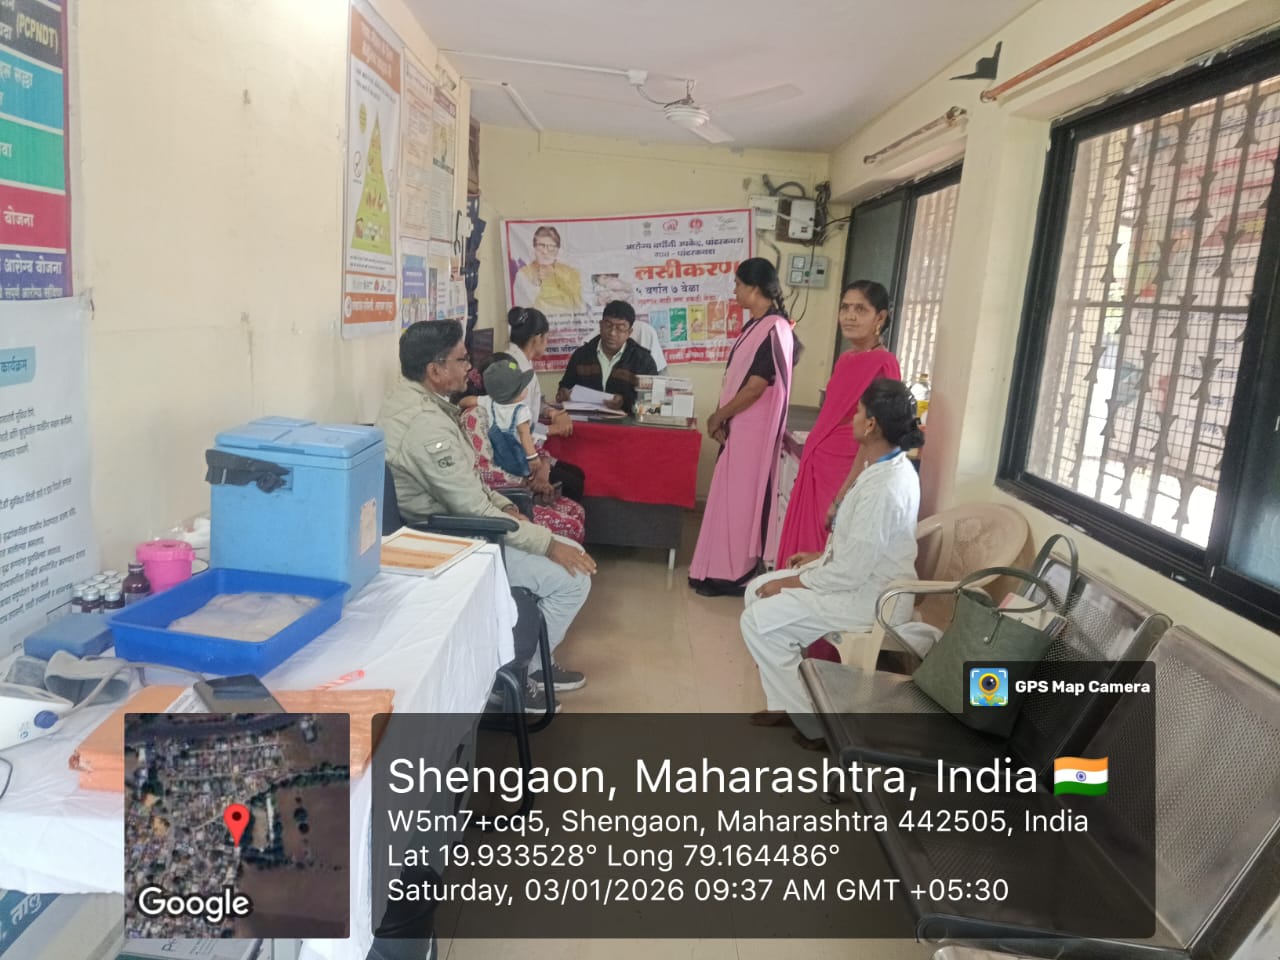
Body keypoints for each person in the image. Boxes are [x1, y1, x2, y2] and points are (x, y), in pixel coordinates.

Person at [377, 320, 596, 709]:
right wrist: (546, 545)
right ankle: (516, 676)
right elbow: (470, 507)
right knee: (573, 578)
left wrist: (508, 506)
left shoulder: (419, 402)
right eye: (462, 360)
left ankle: (530, 663)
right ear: (435, 370)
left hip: (464, 523)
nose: (470, 369)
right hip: (451, 540)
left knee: (568, 552)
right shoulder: (425, 425)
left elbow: (470, 483)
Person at [741, 378, 924, 748]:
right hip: (859, 580)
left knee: (757, 620)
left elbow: (851, 571)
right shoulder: (886, 466)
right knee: (756, 590)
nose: (852, 418)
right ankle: (787, 701)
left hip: (871, 598)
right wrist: (818, 559)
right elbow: (860, 549)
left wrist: (791, 582)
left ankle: (817, 727)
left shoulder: (885, 486)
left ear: (871, 425)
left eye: (858, 412)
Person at [687, 258, 795, 597]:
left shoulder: (775, 328)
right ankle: (715, 569)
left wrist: (719, 415)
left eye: (738, 284)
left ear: (755, 288)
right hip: (740, 425)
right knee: (726, 499)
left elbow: (755, 387)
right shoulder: (757, 325)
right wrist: (723, 416)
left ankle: (736, 574)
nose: (734, 291)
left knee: (740, 503)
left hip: (754, 431)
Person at [776, 281, 901, 560]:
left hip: (845, 471)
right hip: (819, 465)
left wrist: (842, 495)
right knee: (802, 550)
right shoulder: (846, 359)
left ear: (880, 317)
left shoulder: (884, 363)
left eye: (860, 309)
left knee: (826, 549)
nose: (849, 316)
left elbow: (875, 438)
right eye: (845, 308)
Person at [458, 353, 586, 543]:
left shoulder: (512, 410)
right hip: (501, 500)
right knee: (571, 526)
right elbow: (485, 472)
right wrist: (527, 482)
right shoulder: (474, 416)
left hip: (523, 490)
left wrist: (542, 472)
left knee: (577, 511)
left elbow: (533, 445)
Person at [507, 306, 586, 502]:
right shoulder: (517, 371)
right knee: (572, 482)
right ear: (537, 338)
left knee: (576, 474)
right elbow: (516, 426)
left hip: (528, 447)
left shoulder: (520, 362)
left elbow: (534, 403)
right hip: (516, 454)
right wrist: (552, 430)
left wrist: (552, 412)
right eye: (546, 337)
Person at [556, 300, 658, 415]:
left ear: (629, 332)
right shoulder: (581, 355)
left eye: (620, 328)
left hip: (627, 423)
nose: (612, 333)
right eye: (608, 325)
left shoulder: (643, 360)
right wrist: (563, 393)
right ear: (601, 325)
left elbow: (652, 404)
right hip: (588, 421)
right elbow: (565, 386)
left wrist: (625, 402)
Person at [514, 225, 584, 313]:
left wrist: (557, 276)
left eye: (551, 246)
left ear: (558, 249)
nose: (545, 251)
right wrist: (535, 286)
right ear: (534, 247)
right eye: (541, 246)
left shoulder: (571, 273)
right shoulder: (523, 274)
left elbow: (579, 306)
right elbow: (521, 309)